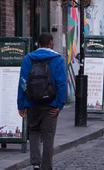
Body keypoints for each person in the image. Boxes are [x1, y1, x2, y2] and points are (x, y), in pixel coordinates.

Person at [17, 32, 67, 170]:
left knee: (33, 132)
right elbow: (61, 83)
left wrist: (21, 104)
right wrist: (60, 104)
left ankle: (35, 164)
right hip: (50, 105)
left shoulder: (28, 59)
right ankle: (46, 166)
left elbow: (22, 82)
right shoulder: (58, 59)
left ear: (39, 43)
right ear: (51, 42)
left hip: (32, 103)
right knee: (48, 136)